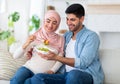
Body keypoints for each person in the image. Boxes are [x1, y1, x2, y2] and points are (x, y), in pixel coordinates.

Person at [24, 3, 104, 84]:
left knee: (74, 75)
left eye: (72, 19)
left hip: (85, 74)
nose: (68, 23)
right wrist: (34, 52)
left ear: (82, 19)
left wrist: (56, 57)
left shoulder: (91, 36)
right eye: (67, 19)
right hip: (64, 75)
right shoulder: (66, 35)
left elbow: (83, 62)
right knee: (37, 78)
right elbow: (56, 50)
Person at [10, 10, 65, 84]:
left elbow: (61, 58)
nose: (50, 25)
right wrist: (27, 43)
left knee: (27, 82)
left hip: (42, 75)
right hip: (28, 68)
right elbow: (15, 56)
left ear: (58, 25)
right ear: (44, 21)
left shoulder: (60, 39)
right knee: (16, 81)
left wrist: (52, 70)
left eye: (54, 23)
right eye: (48, 21)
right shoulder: (35, 35)